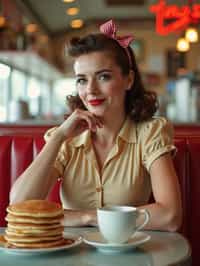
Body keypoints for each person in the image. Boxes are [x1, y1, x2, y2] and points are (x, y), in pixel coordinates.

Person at [10, 20, 182, 231]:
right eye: (81, 79)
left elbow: (170, 216)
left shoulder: (150, 132)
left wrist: (85, 217)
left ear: (128, 80)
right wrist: (58, 137)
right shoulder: (65, 139)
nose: (90, 89)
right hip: (70, 256)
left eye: (103, 76)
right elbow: (19, 206)